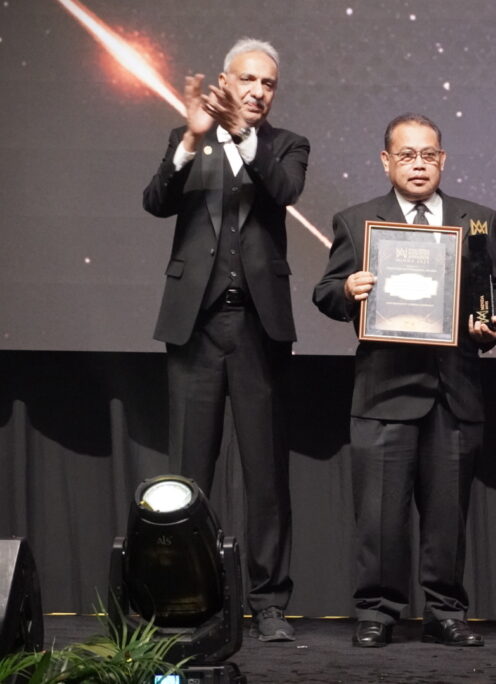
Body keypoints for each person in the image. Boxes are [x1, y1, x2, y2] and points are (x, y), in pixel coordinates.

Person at [313, 113, 496, 648]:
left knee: (447, 515)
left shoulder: (478, 219)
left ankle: (445, 612)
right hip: (383, 391)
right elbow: (325, 292)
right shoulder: (358, 221)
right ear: (387, 161)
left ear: (442, 160)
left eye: (428, 155)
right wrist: (348, 289)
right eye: (407, 155)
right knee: (380, 516)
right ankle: (377, 612)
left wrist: (490, 324)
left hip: (454, 391)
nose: (419, 164)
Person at [142, 37, 308, 642]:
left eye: (268, 84)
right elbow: (156, 202)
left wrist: (242, 134)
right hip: (196, 326)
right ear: (225, 81)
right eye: (248, 80)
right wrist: (191, 140)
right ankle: (190, 598)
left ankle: (269, 603)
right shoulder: (188, 137)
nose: (258, 92)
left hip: (258, 326)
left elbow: (284, 191)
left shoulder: (286, 145)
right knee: (190, 472)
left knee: (266, 473)